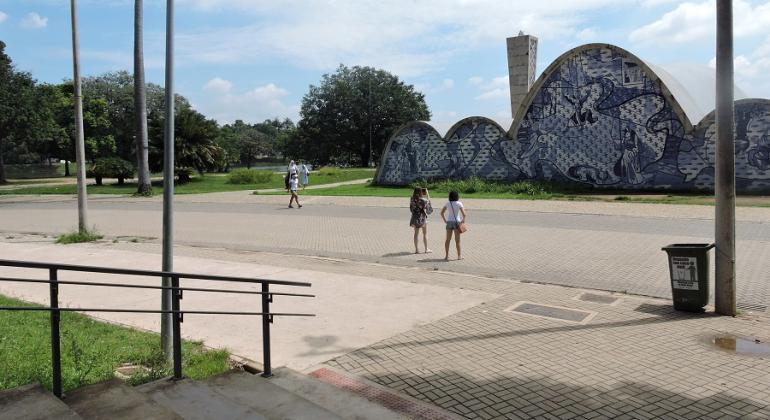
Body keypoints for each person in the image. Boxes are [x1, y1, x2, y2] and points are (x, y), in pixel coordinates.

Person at [441, 190, 466, 261]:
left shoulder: (448, 203)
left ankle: (446, 256)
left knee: (447, 240)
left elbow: (442, 213)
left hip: (449, 222)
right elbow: (464, 214)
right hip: (457, 222)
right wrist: (463, 219)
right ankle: (459, 256)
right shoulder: (459, 203)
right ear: (457, 196)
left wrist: (445, 220)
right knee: (457, 241)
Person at [409, 187, 432, 254]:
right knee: (425, 234)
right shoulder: (423, 200)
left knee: (416, 234)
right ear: (421, 192)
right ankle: (426, 249)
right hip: (422, 218)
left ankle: (416, 250)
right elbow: (429, 210)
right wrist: (427, 195)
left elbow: (411, 209)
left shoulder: (412, 199)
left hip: (414, 218)